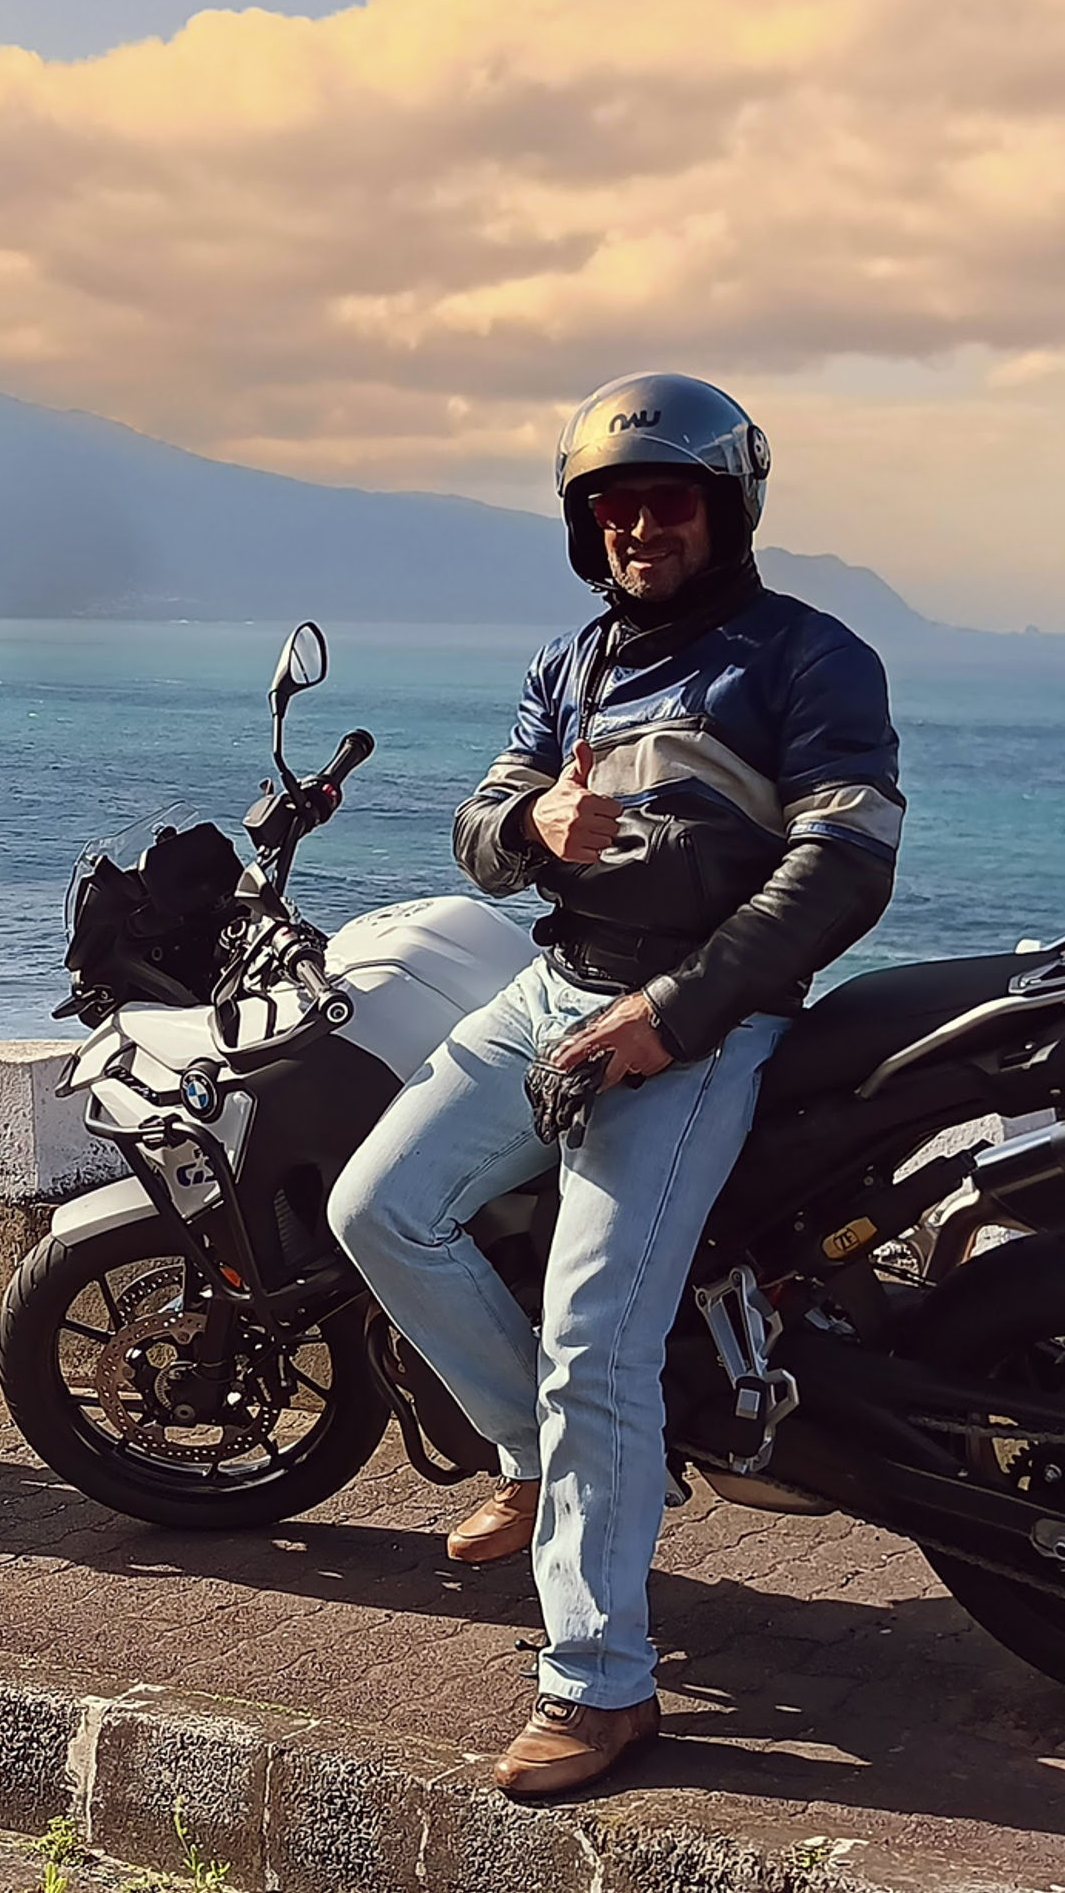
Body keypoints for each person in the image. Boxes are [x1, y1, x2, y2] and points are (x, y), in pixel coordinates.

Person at [325, 372, 903, 1797]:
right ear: (586, 528)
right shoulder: (570, 666)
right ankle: (533, 1463)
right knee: (378, 1209)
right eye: (614, 507)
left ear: (725, 510)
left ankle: (598, 1682)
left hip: (706, 1021)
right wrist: (533, 822)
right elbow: (475, 827)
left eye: (668, 502)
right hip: (554, 989)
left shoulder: (805, 660)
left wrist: (679, 1011)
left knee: (595, 1339)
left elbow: (845, 860)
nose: (641, 527)